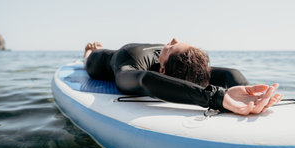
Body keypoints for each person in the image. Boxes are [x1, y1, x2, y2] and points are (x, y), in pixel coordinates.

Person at [84, 38, 283, 115]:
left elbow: (231, 74)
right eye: (170, 45)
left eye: (170, 47)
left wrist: (250, 98)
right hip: (101, 61)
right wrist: (216, 98)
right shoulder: (131, 63)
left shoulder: (174, 66)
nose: (172, 40)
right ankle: (89, 51)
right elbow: (145, 80)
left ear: (163, 71)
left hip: (162, 65)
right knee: (89, 58)